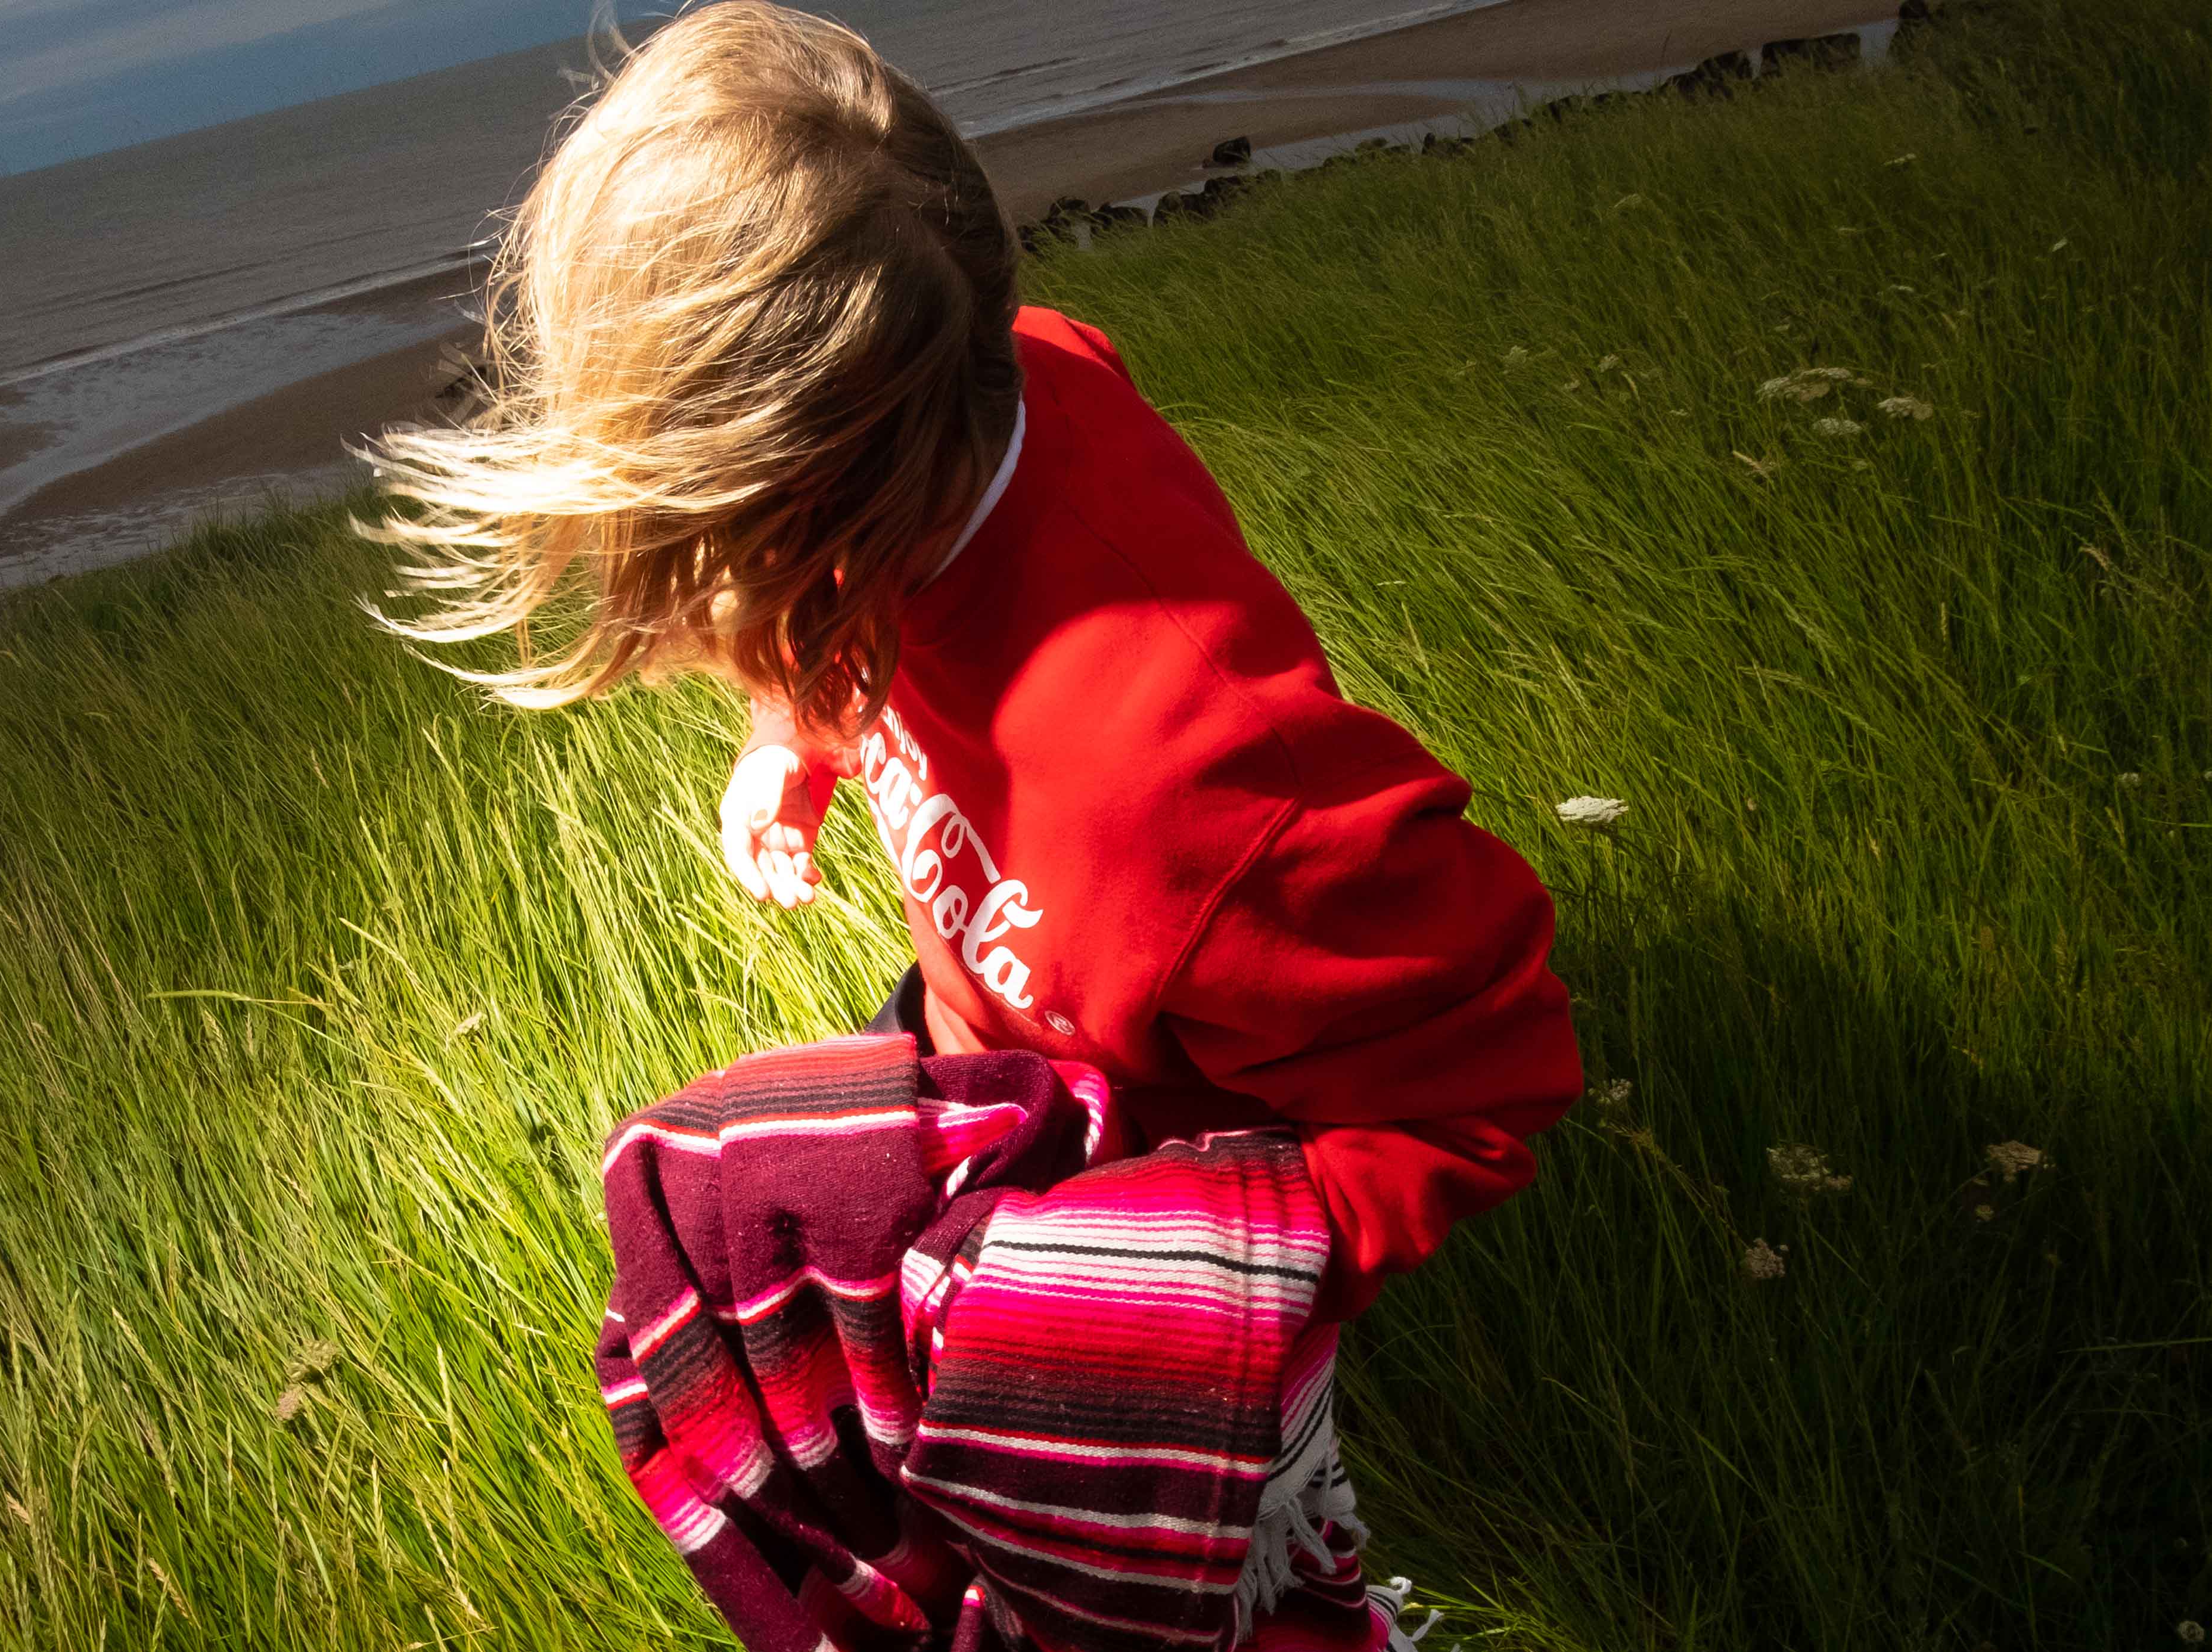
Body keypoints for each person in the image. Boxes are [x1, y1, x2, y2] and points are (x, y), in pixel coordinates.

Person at [364, 0, 1580, 1323]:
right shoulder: (1000, 372)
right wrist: (792, 733)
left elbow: (1483, 1080)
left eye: (716, 546)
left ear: (828, 508)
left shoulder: (1198, 797)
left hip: (1144, 1204)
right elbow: (854, 573)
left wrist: (1185, 1298)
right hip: (1008, 1021)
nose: (717, 607)